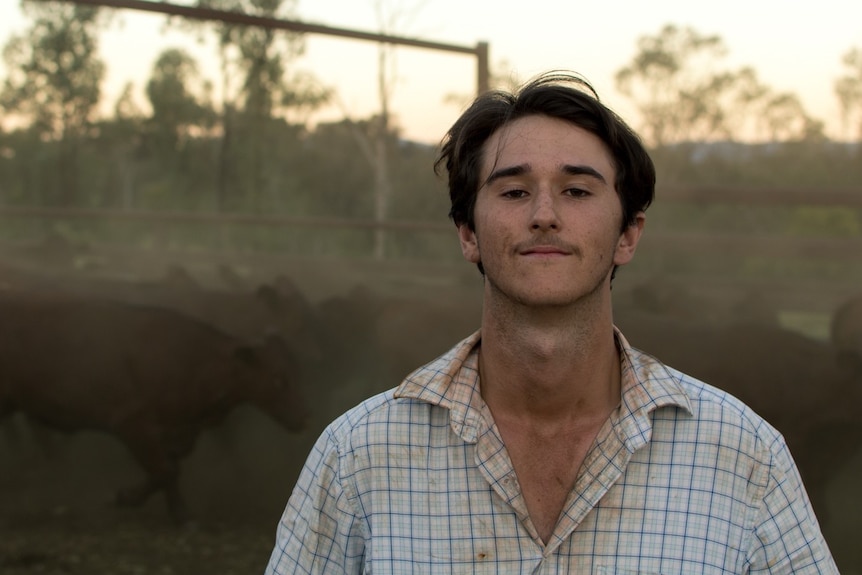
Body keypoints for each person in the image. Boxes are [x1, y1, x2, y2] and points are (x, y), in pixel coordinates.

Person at [264, 71, 838, 574]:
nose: (544, 215)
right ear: (468, 234)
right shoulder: (358, 457)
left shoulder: (743, 455)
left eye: (577, 190)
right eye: (514, 190)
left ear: (628, 234)